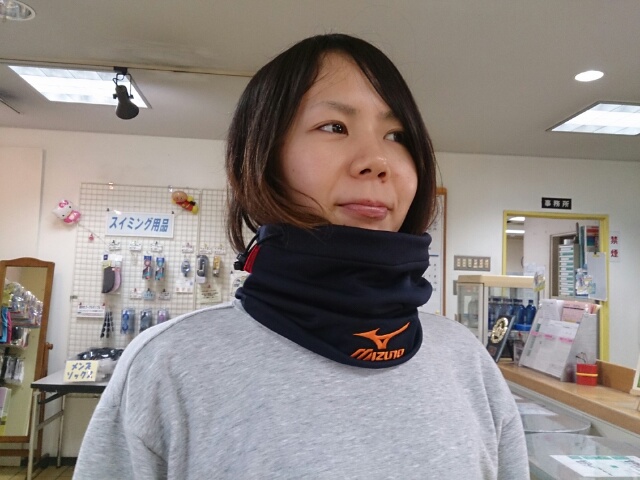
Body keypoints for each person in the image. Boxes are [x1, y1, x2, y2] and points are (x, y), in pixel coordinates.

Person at [74, 33, 529, 479]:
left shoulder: (467, 363)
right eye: (334, 127)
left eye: (397, 135)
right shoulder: (169, 366)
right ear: (263, 156)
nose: (377, 160)